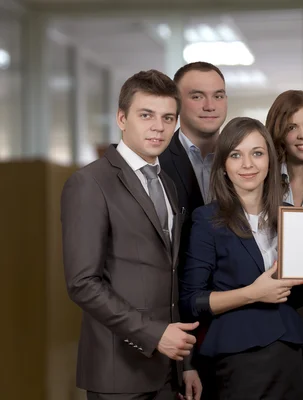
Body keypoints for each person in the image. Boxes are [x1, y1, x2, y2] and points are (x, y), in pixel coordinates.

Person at [61, 70, 201, 400]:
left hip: (167, 371)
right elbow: (82, 283)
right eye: (146, 115)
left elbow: (170, 275)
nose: (158, 126)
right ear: (122, 118)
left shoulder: (167, 184)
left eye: (168, 117)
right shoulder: (90, 183)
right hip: (117, 373)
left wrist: (186, 364)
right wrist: (154, 335)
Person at [179, 117, 303, 400]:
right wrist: (253, 294)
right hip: (238, 354)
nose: (248, 165)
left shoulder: (292, 216)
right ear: (224, 167)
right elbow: (192, 300)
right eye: (236, 155)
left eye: (257, 153)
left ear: (270, 160)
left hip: (289, 350)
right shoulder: (207, 220)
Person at [158, 61, 227, 400]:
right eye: (197, 96)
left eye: (218, 95)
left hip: (236, 322)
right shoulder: (156, 160)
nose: (210, 105)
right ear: (177, 102)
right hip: (180, 324)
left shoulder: (243, 159)